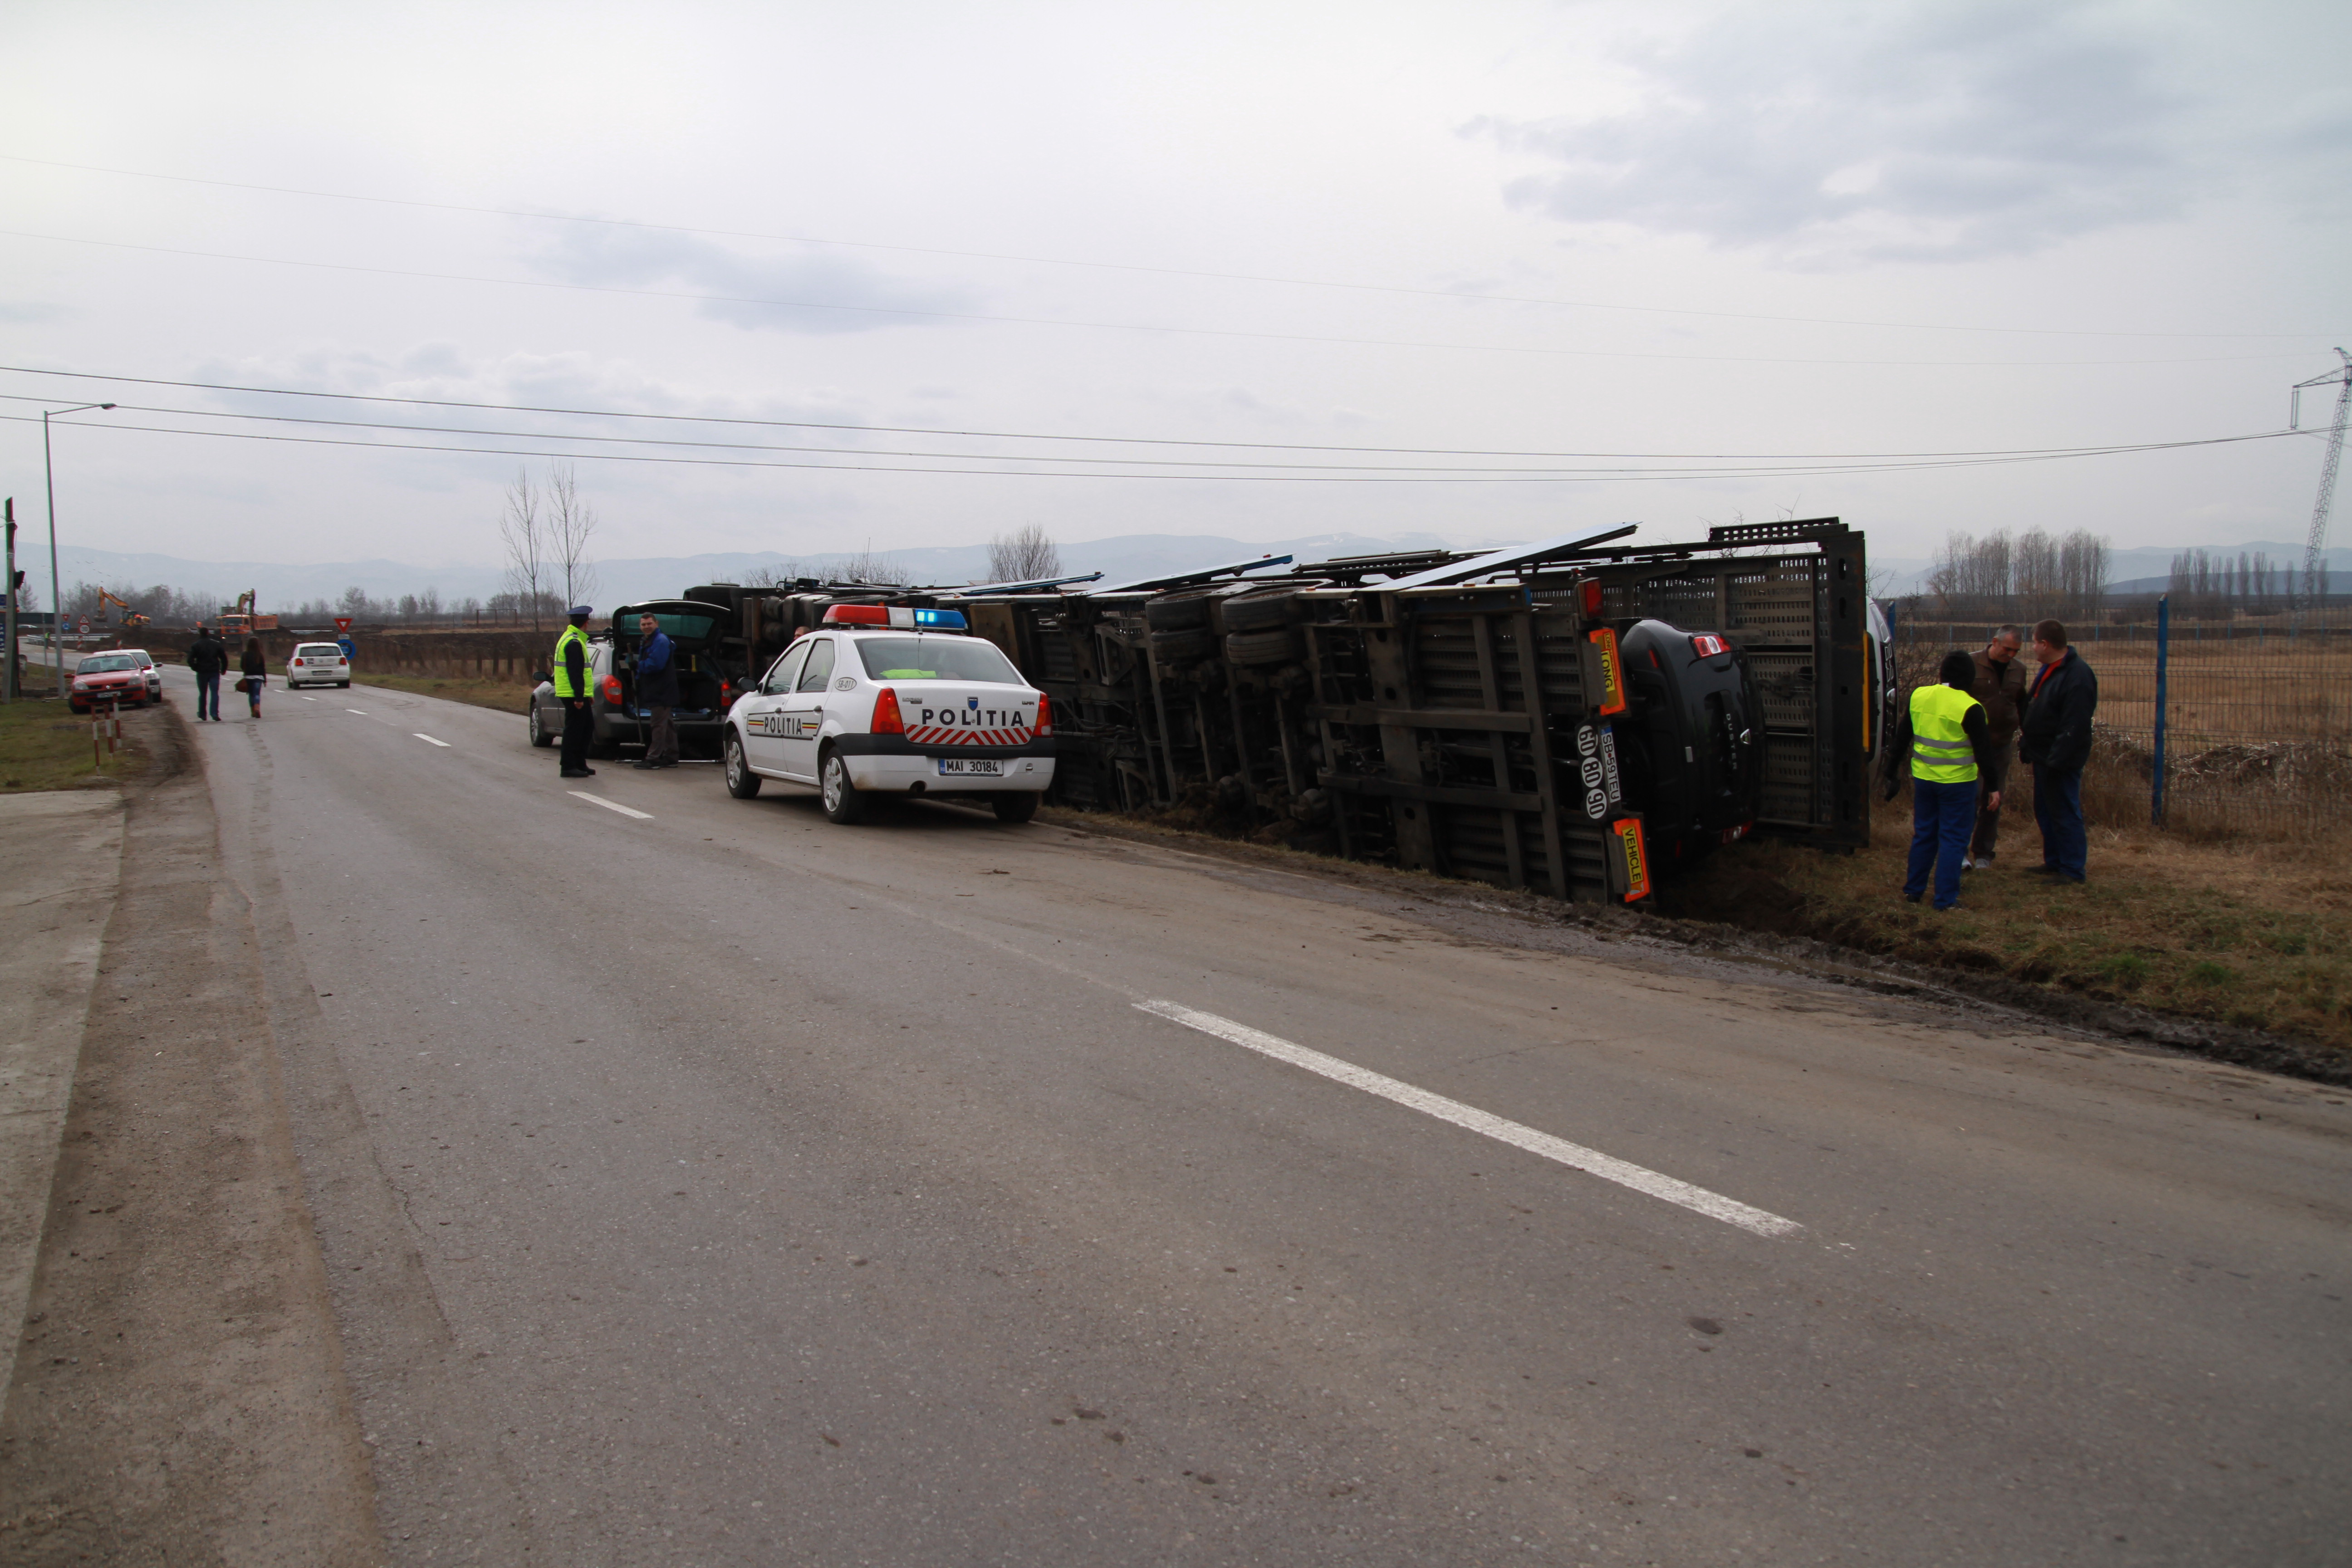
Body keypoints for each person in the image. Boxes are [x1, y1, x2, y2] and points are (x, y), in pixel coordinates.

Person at [1883, 650, 2003, 912]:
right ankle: (1945, 901)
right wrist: (1993, 788)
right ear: (1970, 678)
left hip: (1925, 781)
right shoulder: (1970, 708)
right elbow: (1984, 753)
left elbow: (1902, 739)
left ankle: (1913, 893)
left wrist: (1891, 773)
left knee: (1924, 835)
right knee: (1953, 841)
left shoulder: (1919, 696)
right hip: (1958, 785)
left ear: (1942, 673)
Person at [2019, 618, 2099, 884]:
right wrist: (2028, 745)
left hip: (2060, 760)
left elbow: (2074, 725)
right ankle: (2054, 861)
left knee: (2065, 812)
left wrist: (2058, 759)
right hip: (2044, 755)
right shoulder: (2050, 669)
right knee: (2046, 811)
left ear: (2045, 644)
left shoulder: (2077, 675)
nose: (2032, 648)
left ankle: (2073, 870)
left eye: (2034, 643)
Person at [1965, 624, 2028, 868]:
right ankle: (1960, 851)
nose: (2011, 655)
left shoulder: (2019, 670)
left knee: (1994, 799)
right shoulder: (1971, 664)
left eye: (2016, 651)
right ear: (1994, 642)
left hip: (2001, 746)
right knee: (1971, 797)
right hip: (1971, 746)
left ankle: (1983, 852)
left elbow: (2021, 703)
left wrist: (2025, 734)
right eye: (2007, 649)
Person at [553, 605, 597, 779]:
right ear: (586, 623)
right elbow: (575, 672)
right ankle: (568, 766)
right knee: (575, 731)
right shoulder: (574, 642)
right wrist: (579, 697)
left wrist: (587, 695)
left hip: (576, 693)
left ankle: (579, 763)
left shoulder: (571, 638)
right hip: (572, 694)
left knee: (586, 728)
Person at [632, 612, 680, 770]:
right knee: (667, 724)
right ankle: (671, 756)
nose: (646, 627)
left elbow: (655, 664)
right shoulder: (647, 641)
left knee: (658, 725)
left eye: (649, 624)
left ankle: (653, 759)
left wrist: (638, 666)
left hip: (662, 690)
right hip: (658, 689)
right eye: (643, 624)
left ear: (656, 623)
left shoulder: (660, 641)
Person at [186, 621, 228, 721]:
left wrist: (195, 667)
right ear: (208, 633)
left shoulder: (196, 645)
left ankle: (202, 714)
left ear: (200, 634)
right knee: (215, 693)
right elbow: (224, 658)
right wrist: (223, 669)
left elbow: (190, 660)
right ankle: (214, 714)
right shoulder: (216, 645)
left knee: (203, 694)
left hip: (202, 672)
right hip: (214, 671)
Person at [238, 636, 267, 719]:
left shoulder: (245, 654)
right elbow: (263, 668)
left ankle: (253, 711)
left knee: (251, 694)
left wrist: (246, 671)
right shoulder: (260, 655)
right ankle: (257, 709)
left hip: (248, 677)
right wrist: (265, 680)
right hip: (258, 677)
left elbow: (241, 666)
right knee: (257, 694)